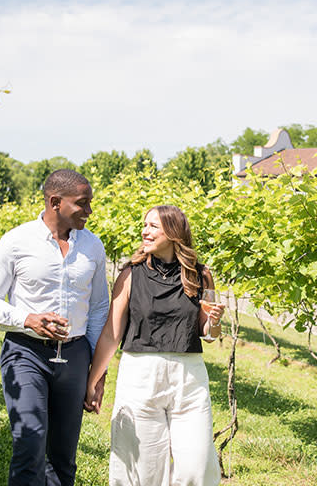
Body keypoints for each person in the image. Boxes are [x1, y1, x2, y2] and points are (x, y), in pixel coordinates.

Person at [0, 169, 110, 486]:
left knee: (63, 457)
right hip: (26, 354)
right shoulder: (16, 241)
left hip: (76, 356)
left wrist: (96, 372)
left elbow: (98, 308)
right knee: (30, 443)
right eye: (82, 203)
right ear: (55, 202)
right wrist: (28, 319)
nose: (89, 211)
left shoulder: (92, 246)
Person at [85, 204, 223, 486]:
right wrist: (93, 379)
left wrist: (216, 321)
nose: (144, 231)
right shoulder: (130, 274)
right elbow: (112, 334)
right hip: (140, 377)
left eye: (153, 226)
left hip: (189, 379)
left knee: (197, 466)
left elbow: (208, 334)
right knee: (142, 470)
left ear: (173, 232)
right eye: (144, 225)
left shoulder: (200, 274)